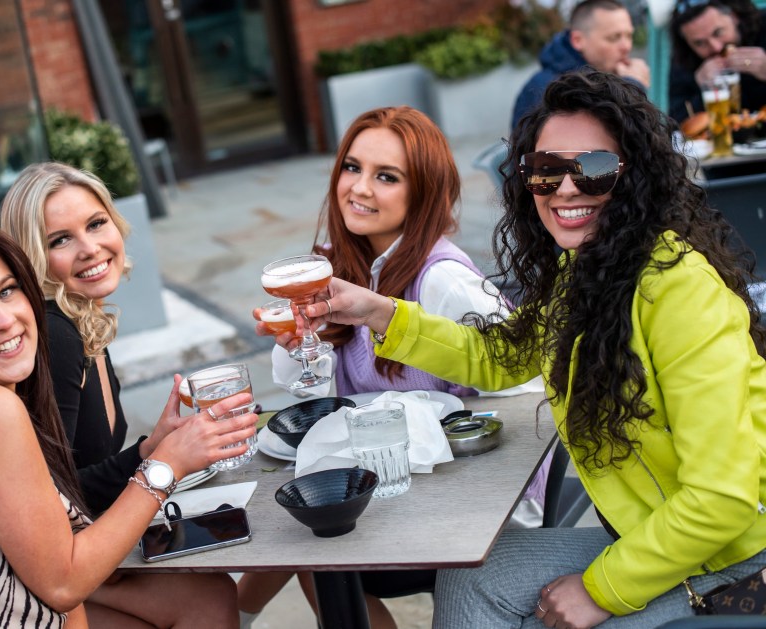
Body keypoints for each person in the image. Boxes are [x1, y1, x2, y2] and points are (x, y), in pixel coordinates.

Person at [304, 69, 766, 628]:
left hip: (736, 558)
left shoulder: (678, 290)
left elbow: (723, 502)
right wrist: (378, 311)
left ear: (634, 177)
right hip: (655, 531)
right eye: (545, 171)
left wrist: (602, 590)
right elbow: (497, 357)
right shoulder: (587, 270)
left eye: (593, 169)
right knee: (472, 576)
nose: (565, 189)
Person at [240, 106, 543, 629]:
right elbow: (311, 393)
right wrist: (299, 343)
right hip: (398, 472)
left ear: (423, 194)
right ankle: (233, 615)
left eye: (386, 177)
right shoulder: (339, 264)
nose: (359, 188)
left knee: (311, 542)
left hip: (477, 499)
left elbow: (527, 390)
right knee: (299, 518)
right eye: (352, 168)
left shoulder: (443, 280)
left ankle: (232, 616)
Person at [0, 223, 249, 627]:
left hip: (9, 604)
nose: (5, 320)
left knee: (204, 598)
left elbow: (51, 565)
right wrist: (166, 466)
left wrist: (151, 451)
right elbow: (63, 584)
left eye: (6, 291)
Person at [0, 161, 195, 516]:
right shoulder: (54, 334)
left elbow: (89, 468)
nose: (89, 248)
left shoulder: (84, 319)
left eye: (96, 223)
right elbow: (54, 499)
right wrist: (164, 465)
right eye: (60, 240)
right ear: (33, 257)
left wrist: (150, 448)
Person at [511, 0, 650, 128]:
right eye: (614, 37)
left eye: (629, 36)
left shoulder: (608, 76)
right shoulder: (545, 89)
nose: (626, 46)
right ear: (577, 40)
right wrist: (632, 89)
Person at [669, 0, 766, 123]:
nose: (716, 47)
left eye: (718, 33)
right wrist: (703, 90)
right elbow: (677, 121)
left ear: (733, 17)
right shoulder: (684, 59)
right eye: (700, 43)